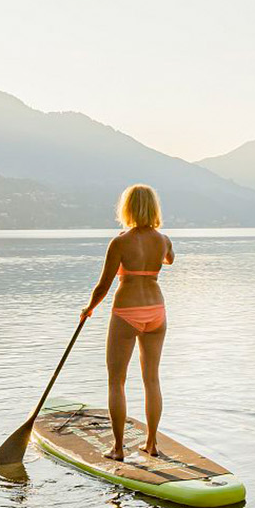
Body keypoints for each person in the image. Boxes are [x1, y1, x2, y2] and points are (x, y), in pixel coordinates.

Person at [81, 184, 173, 460]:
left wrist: (88, 308)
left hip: (127, 312)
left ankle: (118, 449)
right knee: (151, 379)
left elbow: (103, 286)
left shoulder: (120, 242)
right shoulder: (164, 239)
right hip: (156, 310)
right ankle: (151, 444)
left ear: (127, 208)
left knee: (116, 381)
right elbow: (169, 260)